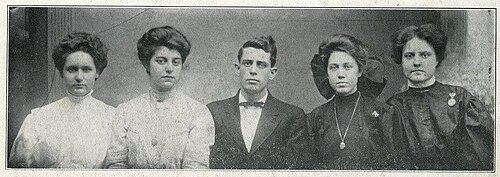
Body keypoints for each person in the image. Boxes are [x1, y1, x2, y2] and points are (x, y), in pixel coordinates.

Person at [104, 26, 214, 169]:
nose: (169, 68)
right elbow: (115, 165)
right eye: (161, 61)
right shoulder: (125, 112)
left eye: (176, 62)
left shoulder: (198, 113)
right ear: (147, 64)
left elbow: (196, 168)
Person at [387, 24, 493, 170]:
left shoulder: (462, 100)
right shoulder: (392, 107)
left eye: (425, 55)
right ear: (401, 60)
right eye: (409, 56)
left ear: (437, 59)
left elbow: (479, 162)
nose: (416, 62)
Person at [9, 32, 114, 168]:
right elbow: (19, 169)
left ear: (97, 72)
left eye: (87, 69)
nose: (79, 77)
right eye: (72, 69)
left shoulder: (113, 118)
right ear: (61, 73)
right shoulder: (38, 119)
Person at [207, 36, 310, 169]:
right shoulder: (214, 111)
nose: (253, 71)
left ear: (272, 73)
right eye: (247, 63)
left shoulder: (292, 116)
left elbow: (297, 170)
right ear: (238, 68)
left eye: (261, 65)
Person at [308, 34, 398, 170]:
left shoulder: (382, 112)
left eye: (347, 66)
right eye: (334, 67)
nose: (340, 74)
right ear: (326, 73)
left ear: (360, 71)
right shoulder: (316, 117)